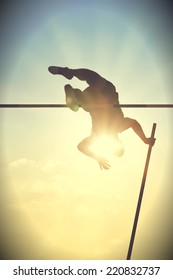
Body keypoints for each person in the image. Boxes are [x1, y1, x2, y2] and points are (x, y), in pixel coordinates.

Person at [48, 66, 155, 170]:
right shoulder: (118, 127)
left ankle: (74, 95)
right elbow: (134, 123)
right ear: (119, 141)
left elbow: (81, 146)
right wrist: (144, 139)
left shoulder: (98, 135)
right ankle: (70, 74)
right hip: (106, 94)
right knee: (97, 82)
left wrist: (97, 157)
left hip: (91, 101)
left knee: (87, 102)